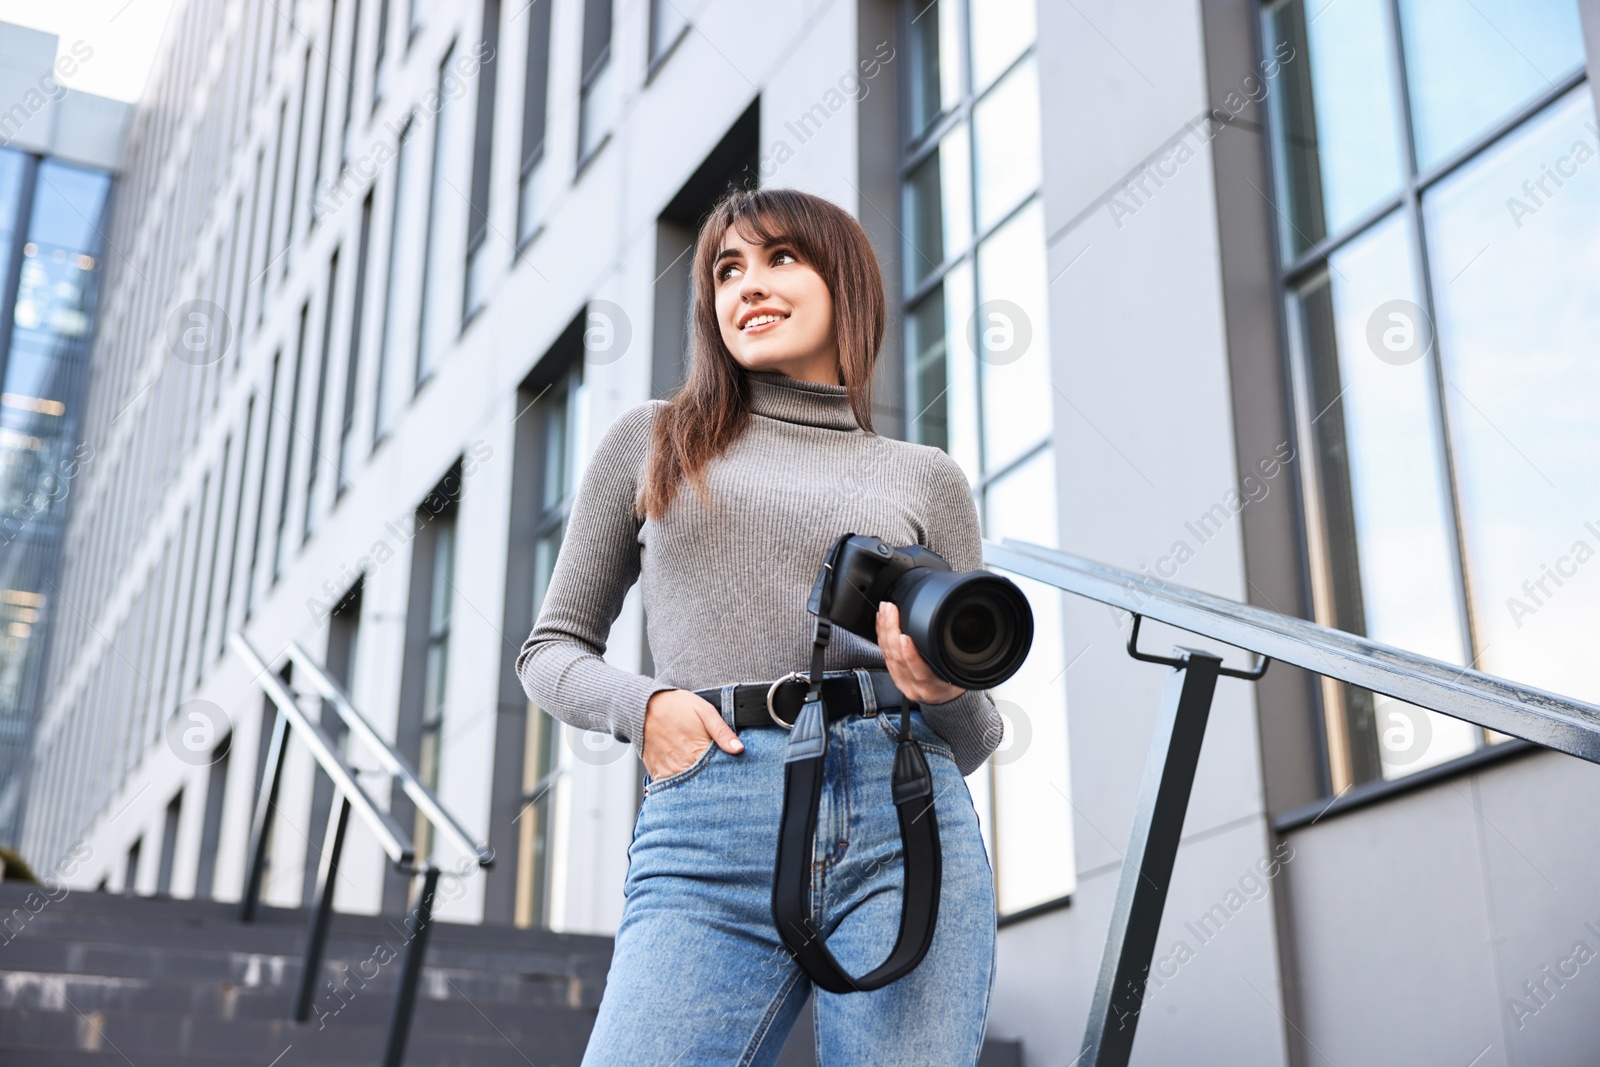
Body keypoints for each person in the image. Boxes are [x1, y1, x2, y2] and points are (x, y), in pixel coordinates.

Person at [517, 186, 1004, 1065]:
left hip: (905, 819)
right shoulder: (654, 439)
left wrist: (942, 690)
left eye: (781, 258)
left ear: (842, 284)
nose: (748, 285)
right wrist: (647, 706)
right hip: (709, 821)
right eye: (727, 269)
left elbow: (973, 734)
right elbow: (549, 651)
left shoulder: (927, 477)